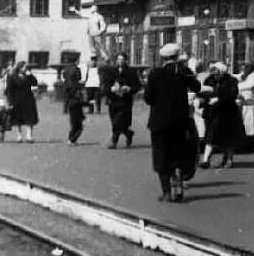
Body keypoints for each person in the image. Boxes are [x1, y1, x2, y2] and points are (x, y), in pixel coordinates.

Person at [144, 44, 201, 202]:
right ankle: (179, 187)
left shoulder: (155, 73)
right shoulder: (183, 71)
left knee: (161, 156)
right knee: (178, 154)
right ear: (177, 56)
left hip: (159, 122)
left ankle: (166, 191)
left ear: (163, 58)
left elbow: (148, 98)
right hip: (180, 122)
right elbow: (197, 87)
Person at [197, 62, 245, 169]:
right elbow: (202, 91)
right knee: (210, 136)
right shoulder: (209, 79)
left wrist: (219, 98)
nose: (215, 76)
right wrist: (204, 99)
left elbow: (233, 94)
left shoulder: (231, 81)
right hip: (212, 113)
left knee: (228, 137)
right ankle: (205, 159)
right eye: (214, 73)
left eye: (217, 73)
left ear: (222, 72)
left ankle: (228, 159)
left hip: (228, 113)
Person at [105, 53, 140, 149]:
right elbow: (105, 86)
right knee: (115, 122)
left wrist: (129, 88)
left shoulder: (131, 72)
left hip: (125, 101)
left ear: (126, 60)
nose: (120, 61)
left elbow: (137, 86)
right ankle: (129, 133)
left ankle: (114, 142)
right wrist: (111, 89)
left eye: (122, 59)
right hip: (113, 100)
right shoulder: (110, 71)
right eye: (118, 59)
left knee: (119, 121)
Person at [6, 61, 39, 142]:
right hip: (17, 99)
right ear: (20, 68)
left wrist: (30, 75)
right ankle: (19, 136)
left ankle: (29, 136)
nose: (26, 68)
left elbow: (35, 83)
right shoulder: (12, 76)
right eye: (24, 67)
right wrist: (10, 102)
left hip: (28, 99)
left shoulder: (28, 76)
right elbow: (9, 90)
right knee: (18, 118)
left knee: (30, 118)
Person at [236, 61, 254, 147]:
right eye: (241, 68)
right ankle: (243, 143)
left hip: (250, 103)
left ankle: (250, 144)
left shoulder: (253, 75)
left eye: (244, 68)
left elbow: (250, 85)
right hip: (242, 103)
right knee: (243, 123)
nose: (242, 70)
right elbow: (235, 79)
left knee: (250, 123)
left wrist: (237, 86)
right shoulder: (243, 75)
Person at [64, 56, 86, 143]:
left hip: (69, 97)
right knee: (78, 121)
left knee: (73, 118)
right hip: (76, 97)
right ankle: (72, 138)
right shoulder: (77, 69)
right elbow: (79, 78)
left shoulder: (66, 69)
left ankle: (72, 137)